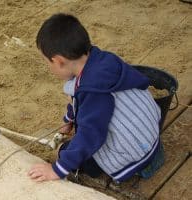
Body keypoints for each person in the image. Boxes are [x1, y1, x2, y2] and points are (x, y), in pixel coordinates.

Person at [28, 13, 163, 183]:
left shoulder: (93, 90)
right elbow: (82, 100)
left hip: (135, 151)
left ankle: (132, 168)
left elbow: (91, 134)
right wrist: (70, 118)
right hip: (149, 130)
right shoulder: (102, 60)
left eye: (47, 62)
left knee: (68, 151)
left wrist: (57, 169)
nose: (48, 67)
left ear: (59, 61)